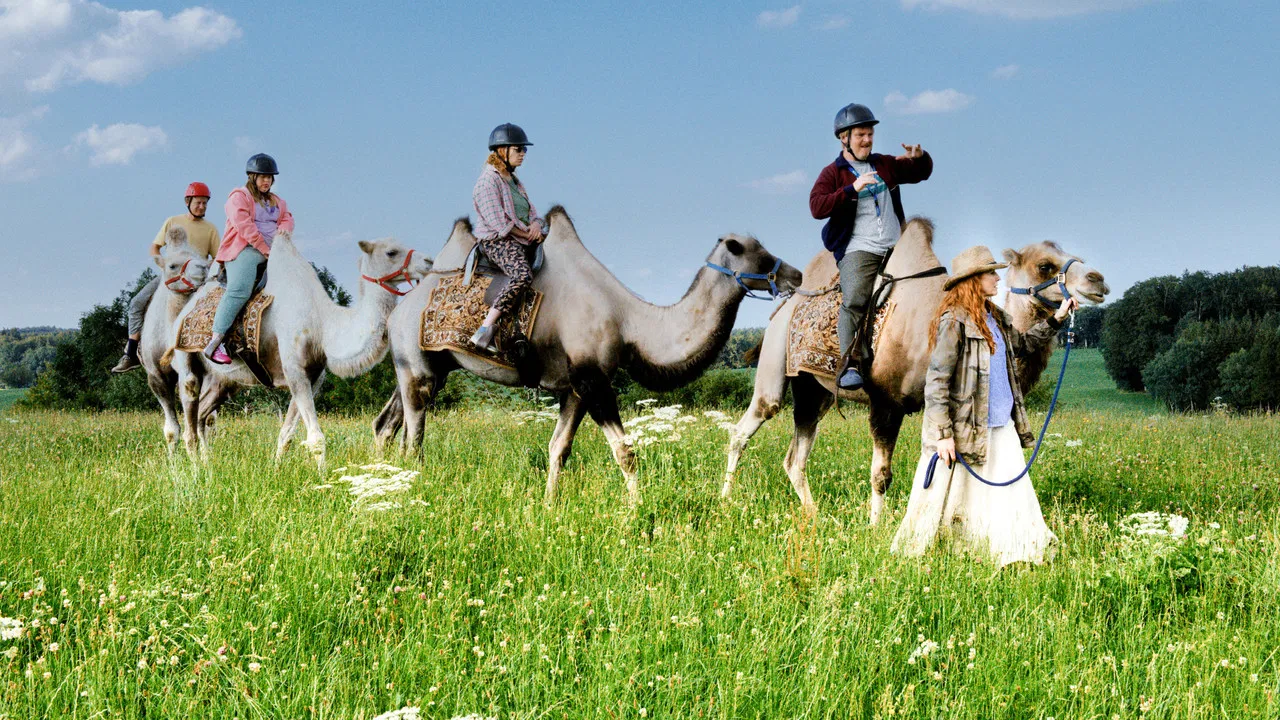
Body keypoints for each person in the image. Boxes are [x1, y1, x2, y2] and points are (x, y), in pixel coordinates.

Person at [891, 246, 1078, 567]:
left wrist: (1057, 319)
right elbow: (937, 382)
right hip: (963, 426)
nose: (997, 277)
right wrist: (942, 435)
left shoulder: (996, 318)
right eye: (990, 273)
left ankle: (1016, 550)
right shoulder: (953, 322)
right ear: (973, 281)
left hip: (1001, 423)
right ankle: (929, 551)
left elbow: (1024, 346)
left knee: (1010, 491)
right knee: (947, 494)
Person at [809, 103, 933, 390]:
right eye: (861, 135)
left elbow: (920, 173)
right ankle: (850, 363)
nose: (867, 140)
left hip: (895, 246)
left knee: (927, 284)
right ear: (844, 138)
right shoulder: (833, 173)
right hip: (860, 249)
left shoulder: (884, 164)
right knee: (854, 300)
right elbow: (816, 206)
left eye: (870, 134)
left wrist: (920, 157)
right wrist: (851, 189)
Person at [111, 182, 221, 373]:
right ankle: (130, 354)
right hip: (171, 277)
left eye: (205, 203)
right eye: (198, 203)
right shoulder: (172, 221)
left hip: (197, 280)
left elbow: (218, 256)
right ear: (188, 201)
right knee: (137, 303)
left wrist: (207, 266)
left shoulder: (210, 229)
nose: (202, 207)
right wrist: (162, 263)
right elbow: (155, 247)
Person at [203, 154, 294, 364]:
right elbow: (244, 226)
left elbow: (287, 219)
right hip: (244, 249)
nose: (266, 181)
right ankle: (215, 341)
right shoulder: (239, 197)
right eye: (262, 177)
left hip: (276, 251)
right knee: (240, 289)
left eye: (270, 178)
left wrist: (281, 237)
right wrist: (265, 249)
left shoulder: (277, 201)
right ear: (252, 176)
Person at [469, 123, 548, 353]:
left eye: (525, 150)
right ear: (501, 151)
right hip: (497, 242)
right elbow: (500, 224)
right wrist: (529, 234)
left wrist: (535, 225)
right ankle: (484, 329)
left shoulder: (514, 181)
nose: (523, 154)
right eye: (519, 149)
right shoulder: (487, 182)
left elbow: (532, 212)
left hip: (524, 237)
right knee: (522, 275)